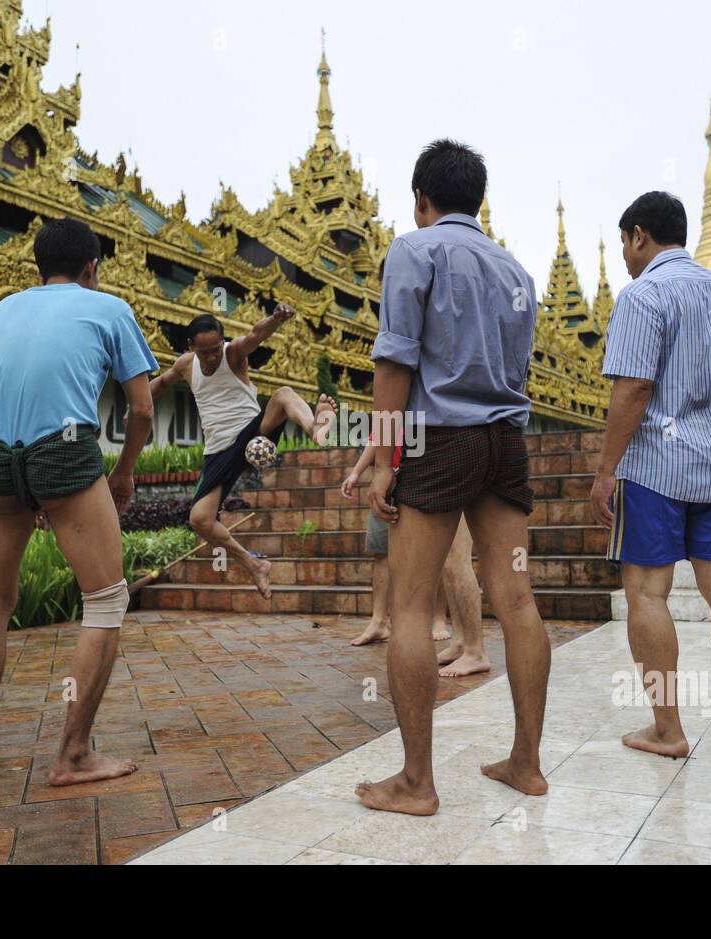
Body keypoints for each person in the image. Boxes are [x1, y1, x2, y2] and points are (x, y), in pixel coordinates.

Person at [360, 139, 550, 815]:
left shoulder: (416, 249)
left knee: (410, 605)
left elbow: (394, 365)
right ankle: (527, 762)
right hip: (505, 440)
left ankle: (416, 781)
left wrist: (385, 459)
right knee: (518, 600)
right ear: (479, 199)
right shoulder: (515, 269)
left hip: (438, 437)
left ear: (421, 198)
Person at [0, 216, 157, 785]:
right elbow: (141, 410)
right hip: (66, 451)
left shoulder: (3, 309)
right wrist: (122, 472)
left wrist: (16, 462)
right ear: (92, 268)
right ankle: (73, 755)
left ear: (37, 269)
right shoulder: (110, 309)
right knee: (104, 600)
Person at [589, 191, 711, 759]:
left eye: (624, 244)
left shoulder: (643, 296)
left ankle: (668, 729)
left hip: (656, 470)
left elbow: (633, 388)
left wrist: (606, 468)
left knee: (647, 593)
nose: (624, 257)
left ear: (640, 236)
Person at [148, 308, 336, 597]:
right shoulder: (186, 364)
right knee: (200, 519)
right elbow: (160, 384)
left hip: (252, 431)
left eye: (215, 349)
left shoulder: (232, 354)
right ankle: (254, 565)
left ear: (223, 341)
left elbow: (255, 335)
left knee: (283, 393)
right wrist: (135, 407)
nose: (212, 357)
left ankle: (315, 427)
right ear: (191, 347)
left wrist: (276, 319)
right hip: (218, 451)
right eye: (205, 352)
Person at [341, 439, 489, 678]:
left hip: (449, 457)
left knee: (456, 560)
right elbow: (381, 431)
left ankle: (475, 650)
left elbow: (385, 425)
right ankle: (462, 644)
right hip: (427, 467)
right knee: (450, 562)